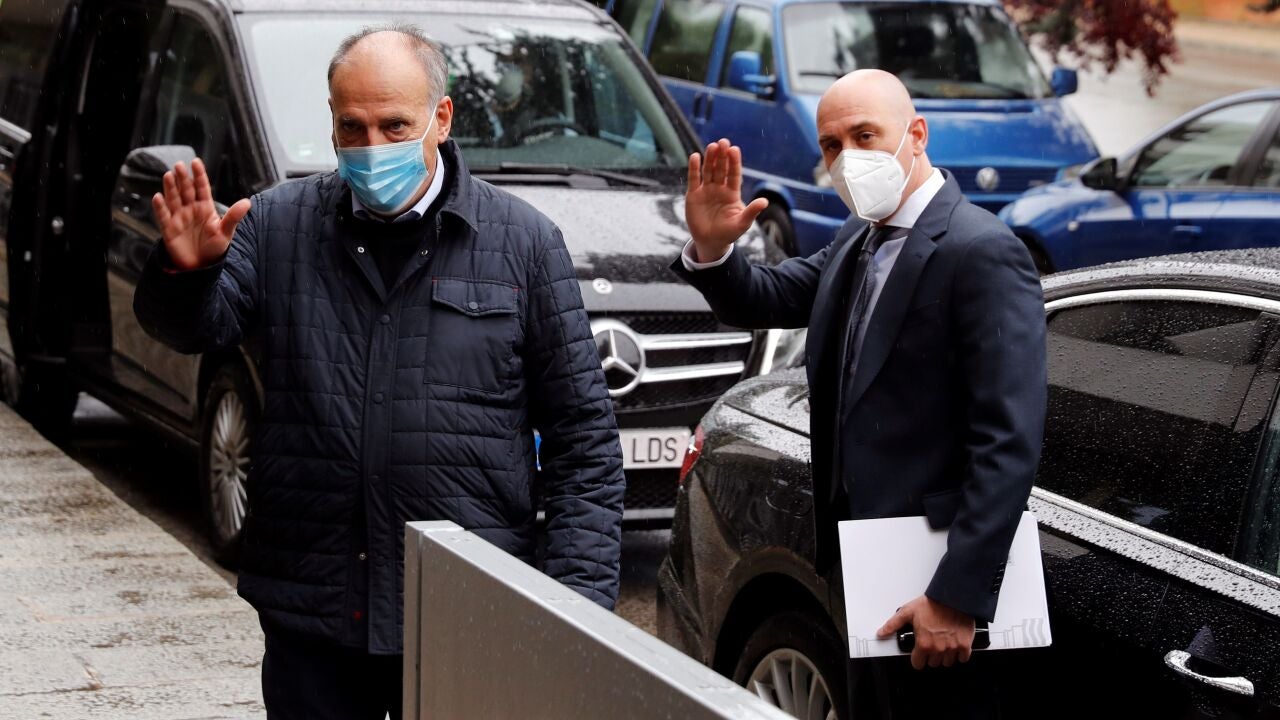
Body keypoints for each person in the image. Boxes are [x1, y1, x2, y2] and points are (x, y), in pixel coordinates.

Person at [133, 23, 625, 720]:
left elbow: (584, 444)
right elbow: (194, 330)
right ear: (332, 125)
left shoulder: (524, 244)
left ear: (441, 118)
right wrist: (188, 273)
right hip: (314, 609)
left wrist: (573, 610)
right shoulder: (277, 224)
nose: (372, 147)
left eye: (394, 125)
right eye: (352, 127)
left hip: (465, 611)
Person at [671, 69, 1046, 718]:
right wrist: (712, 250)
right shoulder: (858, 236)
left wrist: (958, 594)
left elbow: (1008, 439)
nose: (847, 158)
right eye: (831, 145)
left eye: (864, 135)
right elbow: (768, 296)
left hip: (939, 577)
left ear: (917, 135)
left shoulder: (981, 251)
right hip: (862, 567)